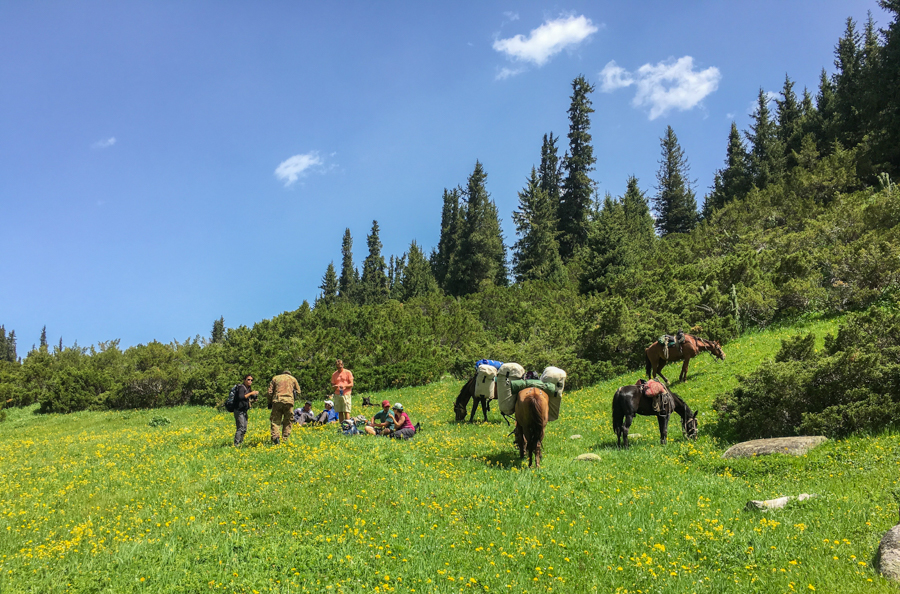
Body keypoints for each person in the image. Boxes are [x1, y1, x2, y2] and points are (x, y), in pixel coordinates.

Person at [268, 369, 301, 445]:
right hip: (289, 401)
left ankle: (275, 437)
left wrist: (270, 402)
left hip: (277, 401)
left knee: (275, 420)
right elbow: (298, 391)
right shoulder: (293, 379)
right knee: (288, 420)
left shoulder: (275, 378)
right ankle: (285, 438)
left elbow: (270, 392)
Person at [233, 374, 258, 447]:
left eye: (251, 380)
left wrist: (254, 398)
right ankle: (236, 444)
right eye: (248, 379)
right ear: (244, 380)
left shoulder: (248, 388)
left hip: (244, 410)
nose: (250, 381)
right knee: (240, 427)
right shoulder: (241, 387)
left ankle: (240, 443)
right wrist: (251, 393)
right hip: (238, 410)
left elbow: (247, 398)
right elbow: (241, 397)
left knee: (244, 428)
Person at [330, 359, 355, 423]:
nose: (339, 368)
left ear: (342, 365)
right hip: (337, 394)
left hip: (346, 393)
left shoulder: (348, 372)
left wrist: (345, 386)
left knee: (346, 410)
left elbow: (351, 384)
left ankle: (348, 425)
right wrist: (334, 387)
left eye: (340, 367)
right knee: (340, 411)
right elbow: (332, 385)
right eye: (337, 367)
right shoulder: (334, 374)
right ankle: (342, 426)